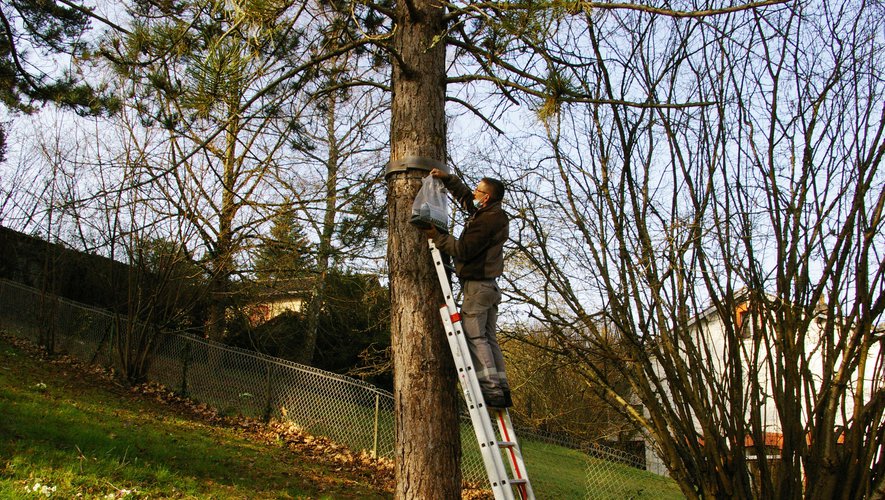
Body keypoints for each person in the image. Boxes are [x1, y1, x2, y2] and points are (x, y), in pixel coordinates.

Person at [423, 168, 512, 408]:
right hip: (489, 288)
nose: (473, 193)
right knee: (489, 338)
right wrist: (448, 180)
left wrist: (437, 237)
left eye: (478, 190)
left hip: (479, 286)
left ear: (486, 197)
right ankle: (501, 388)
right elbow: (465, 198)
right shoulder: (493, 214)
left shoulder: (486, 222)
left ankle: (491, 390)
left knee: (475, 337)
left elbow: (463, 250)